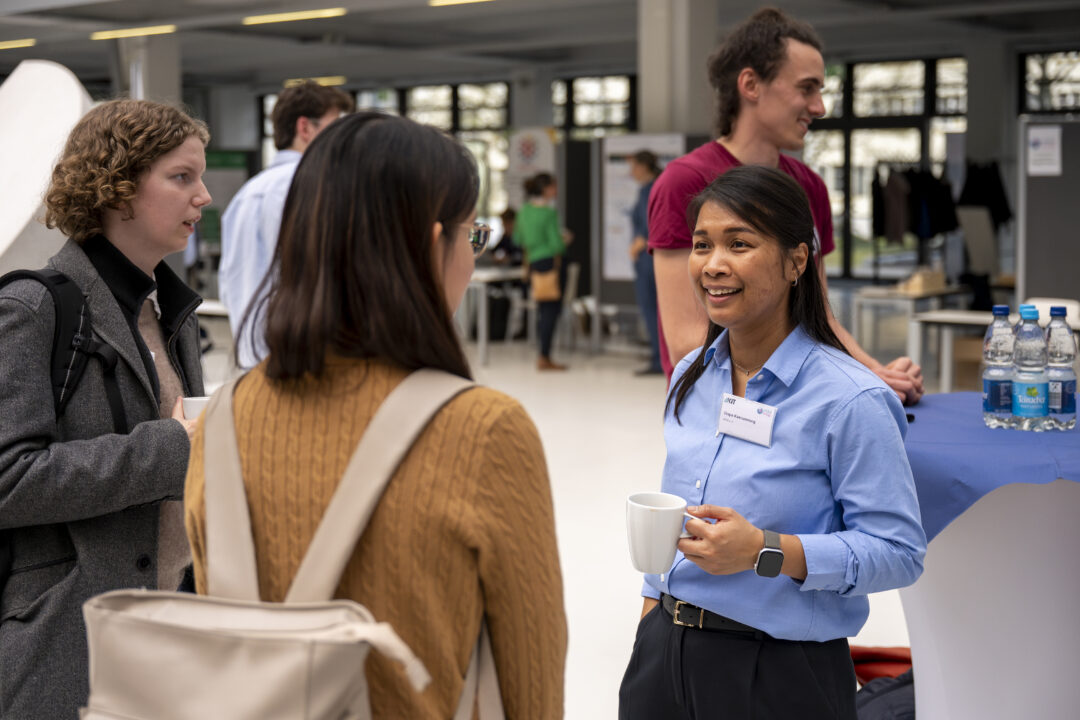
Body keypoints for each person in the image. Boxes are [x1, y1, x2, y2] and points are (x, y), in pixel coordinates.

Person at [185, 112, 567, 718]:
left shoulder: (224, 418)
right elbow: (530, 679)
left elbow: (220, 633)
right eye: (471, 236)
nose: (472, 260)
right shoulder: (484, 429)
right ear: (431, 245)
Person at [619, 166, 926, 719]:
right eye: (702, 245)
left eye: (739, 244)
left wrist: (766, 551)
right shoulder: (692, 376)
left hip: (778, 673)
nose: (713, 264)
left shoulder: (850, 399)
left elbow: (899, 552)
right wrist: (650, 631)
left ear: (796, 261)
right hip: (664, 655)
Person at [0, 99, 208, 719]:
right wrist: (175, 448)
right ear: (117, 188)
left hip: (169, 627)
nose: (202, 197)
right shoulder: (32, 310)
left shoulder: (170, 315)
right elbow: (9, 480)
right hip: (67, 640)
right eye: (181, 177)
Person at [648, 7, 924, 404]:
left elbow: (818, 316)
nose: (819, 107)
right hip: (722, 406)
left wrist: (872, 373)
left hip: (799, 398)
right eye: (806, 88)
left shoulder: (809, 186)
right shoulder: (685, 183)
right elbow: (686, 343)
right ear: (751, 84)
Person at [218, 80, 353, 368]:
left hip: (251, 360)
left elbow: (229, 283)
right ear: (305, 128)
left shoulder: (246, 194)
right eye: (335, 128)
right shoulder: (314, 187)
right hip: (302, 362)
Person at [514, 172, 572, 370]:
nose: (556, 190)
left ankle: (543, 353)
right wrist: (565, 240)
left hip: (533, 263)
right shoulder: (549, 213)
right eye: (553, 186)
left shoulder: (524, 211)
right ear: (546, 189)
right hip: (551, 264)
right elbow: (556, 244)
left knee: (541, 309)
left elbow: (518, 239)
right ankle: (544, 355)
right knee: (551, 311)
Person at [628, 150, 663, 375]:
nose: (631, 172)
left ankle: (659, 359)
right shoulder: (655, 187)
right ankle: (660, 357)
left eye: (633, 167)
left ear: (643, 166)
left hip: (648, 259)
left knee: (652, 309)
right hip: (654, 258)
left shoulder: (649, 190)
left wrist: (638, 244)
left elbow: (648, 225)